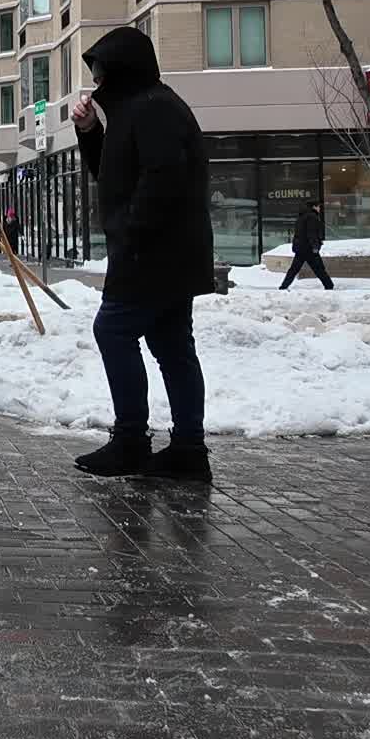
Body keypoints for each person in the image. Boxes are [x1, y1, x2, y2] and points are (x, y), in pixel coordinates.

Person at [70, 25, 214, 484]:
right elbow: (110, 174)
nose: (96, 82)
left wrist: (132, 231)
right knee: (172, 345)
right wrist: (90, 132)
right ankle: (188, 450)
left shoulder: (152, 109)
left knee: (112, 329)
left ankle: (132, 439)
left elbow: (163, 177)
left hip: (152, 252)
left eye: (101, 71)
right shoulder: (144, 108)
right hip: (169, 252)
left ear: (122, 69)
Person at [281, 201, 335, 291]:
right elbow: (311, 233)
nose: (319, 208)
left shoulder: (302, 216)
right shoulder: (312, 217)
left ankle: (284, 286)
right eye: (318, 206)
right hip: (308, 247)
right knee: (319, 268)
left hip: (300, 247)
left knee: (294, 269)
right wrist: (315, 246)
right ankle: (329, 286)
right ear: (314, 207)